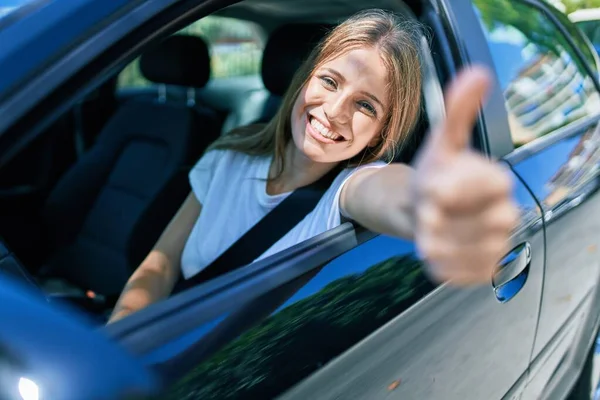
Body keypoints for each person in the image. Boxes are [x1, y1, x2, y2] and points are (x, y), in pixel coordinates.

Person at [107, 9, 518, 324]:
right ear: (305, 78)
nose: (335, 111)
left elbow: (391, 195)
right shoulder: (229, 154)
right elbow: (159, 266)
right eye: (330, 81)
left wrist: (435, 204)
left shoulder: (348, 191)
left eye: (364, 105)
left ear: (379, 133)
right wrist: (115, 350)